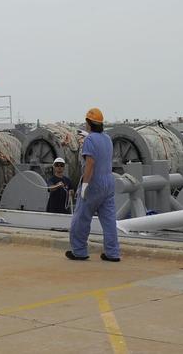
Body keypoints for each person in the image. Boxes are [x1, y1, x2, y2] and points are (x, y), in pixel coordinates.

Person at [66, 108, 120, 262]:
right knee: (109, 220)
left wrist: (84, 185)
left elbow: (90, 163)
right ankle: (112, 253)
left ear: (89, 123)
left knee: (81, 217)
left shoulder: (89, 140)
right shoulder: (107, 139)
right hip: (109, 182)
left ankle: (79, 251)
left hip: (94, 183)